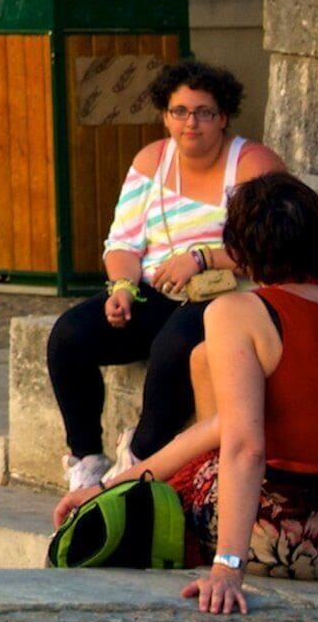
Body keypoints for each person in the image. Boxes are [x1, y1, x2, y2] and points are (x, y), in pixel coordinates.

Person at [111, 176, 318, 613]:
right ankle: (119, 481)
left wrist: (228, 567)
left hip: (293, 540)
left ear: (240, 250)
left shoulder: (237, 310)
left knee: (191, 479)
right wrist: (111, 484)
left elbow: (242, 444)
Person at [40, 61, 285, 496]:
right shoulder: (151, 160)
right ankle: (87, 459)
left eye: (204, 112)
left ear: (223, 116)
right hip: (158, 291)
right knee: (69, 336)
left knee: (174, 344)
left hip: (230, 297)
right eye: (179, 111)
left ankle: (141, 459)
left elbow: (276, 245)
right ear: (165, 115)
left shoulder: (252, 164)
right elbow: (123, 242)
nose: (191, 123)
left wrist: (203, 257)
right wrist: (122, 289)